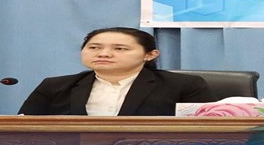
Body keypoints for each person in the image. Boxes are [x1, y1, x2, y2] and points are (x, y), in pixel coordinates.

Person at [18, 27, 215, 116]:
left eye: (119, 49)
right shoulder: (55, 86)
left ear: (150, 54)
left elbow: (206, 130)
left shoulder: (184, 86)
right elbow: (24, 127)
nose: (104, 54)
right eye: (94, 48)